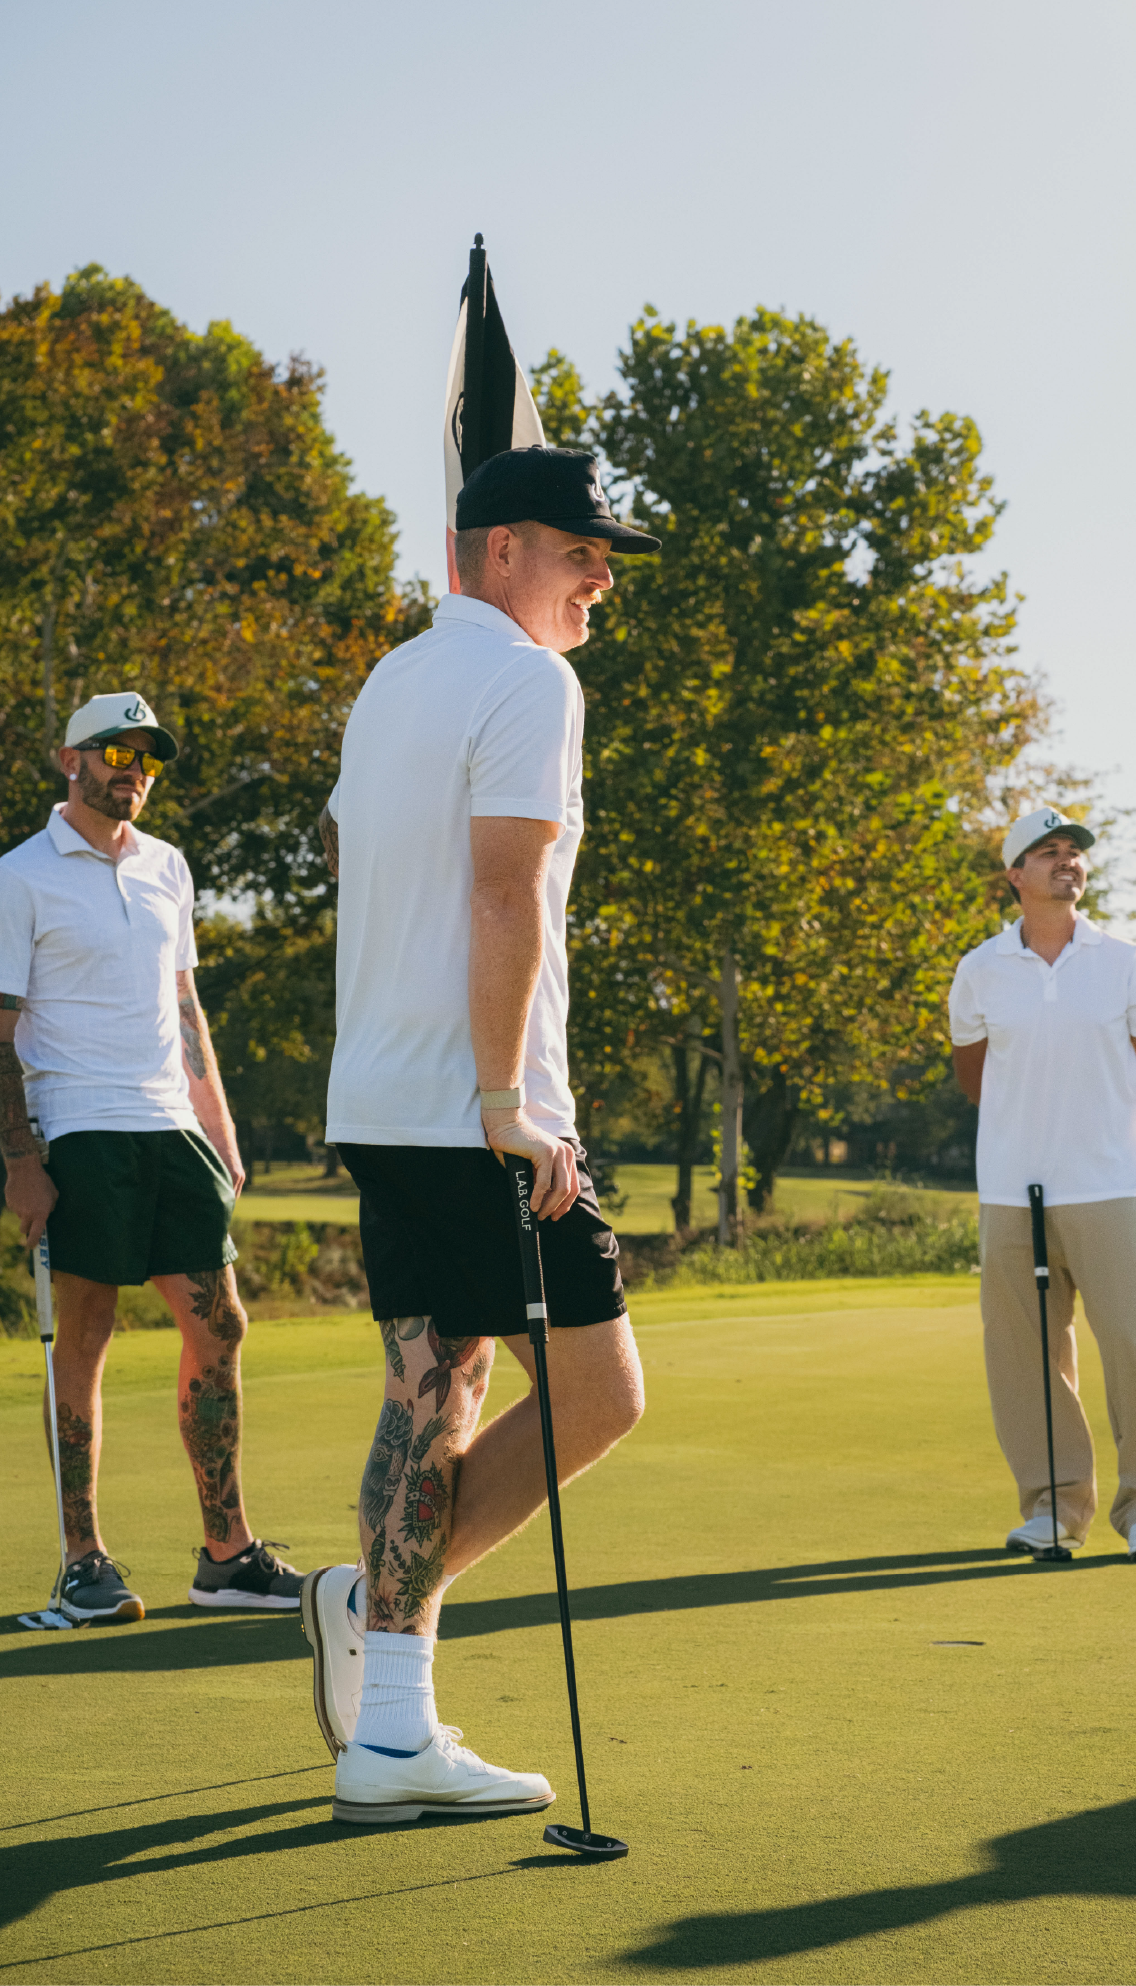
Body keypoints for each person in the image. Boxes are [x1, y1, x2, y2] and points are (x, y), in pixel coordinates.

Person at [302, 447, 660, 1824]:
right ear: (503, 548)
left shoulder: (395, 680)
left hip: (382, 1101)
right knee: (594, 1392)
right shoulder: (528, 681)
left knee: (436, 1389)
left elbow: (348, 854)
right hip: (475, 1110)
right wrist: (510, 1105)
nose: (601, 578)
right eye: (583, 551)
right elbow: (507, 894)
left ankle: (383, 1671)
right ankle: (389, 1701)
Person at [0, 693, 305, 1622]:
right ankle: (84, 1562)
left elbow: (185, 1010)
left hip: (172, 1127)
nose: (133, 767)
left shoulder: (170, 867)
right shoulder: (19, 876)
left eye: (147, 757)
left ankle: (228, 1555)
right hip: (78, 1128)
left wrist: (221, 1125)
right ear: (70, 761)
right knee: (84, 1344)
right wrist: (19, 1158)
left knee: (221, 1328)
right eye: (114, 751)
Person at [948, 807, 1136, 1563]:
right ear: (1014, 875)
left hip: (1107, 1187)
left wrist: (1101, 1136)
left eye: (1073, 853)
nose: (1067, 862)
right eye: (1047, 853)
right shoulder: (979, 968)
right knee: (1024, 1354)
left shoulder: (1122, 961)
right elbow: (976, 1079)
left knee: (1133, 1342)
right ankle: (1052, 1507)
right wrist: (1033, 1136)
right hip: (1010, 1195)